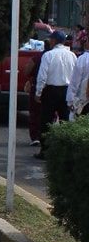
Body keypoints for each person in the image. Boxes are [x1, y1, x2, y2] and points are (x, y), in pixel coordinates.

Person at [35, 30, 76, 158]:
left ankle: (45, 150)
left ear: (54, 41)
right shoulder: (72, 56)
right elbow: (75, 76)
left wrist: (38, 92)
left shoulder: (48, 55)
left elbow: (42, 76)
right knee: (65, 120)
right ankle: (65, 150)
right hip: (66, 90)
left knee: (46, 120)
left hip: (51, 90)